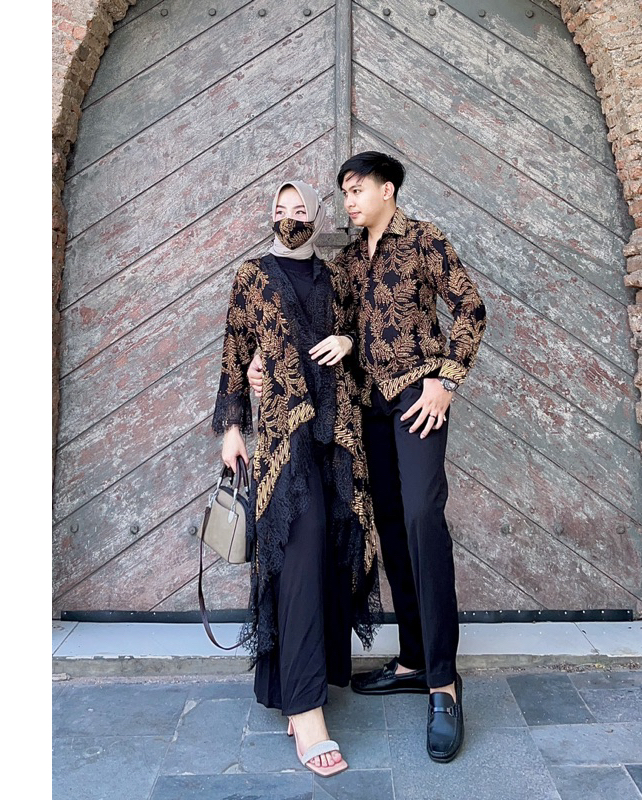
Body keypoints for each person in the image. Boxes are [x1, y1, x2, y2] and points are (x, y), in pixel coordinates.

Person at [248, 153, 486, 762]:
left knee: (423, 521)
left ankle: (443, 684)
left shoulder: (425, 240)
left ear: (388, 189)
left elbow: (471, 308)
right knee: (391, 528)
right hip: (366, 408)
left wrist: (446, 380)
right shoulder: (351, 262)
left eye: (357, 190)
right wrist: (259, 366)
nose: (349, 202)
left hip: (418, 400)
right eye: (345, 193)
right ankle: (411, 659)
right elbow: (329, 326)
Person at [212, 180, 381, 777]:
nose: (290, 216)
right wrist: (233, 427)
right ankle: (307, 713)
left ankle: (293, 685)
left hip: (337, 439)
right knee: (299, 556)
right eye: (280, 210)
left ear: (317, 215)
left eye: (301, 207)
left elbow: (366, 343)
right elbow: (236, 353)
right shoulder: (252, 276)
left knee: (328, 556)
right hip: (284, 440)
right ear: (270, 217)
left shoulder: (335, 278)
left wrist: (347, 340)